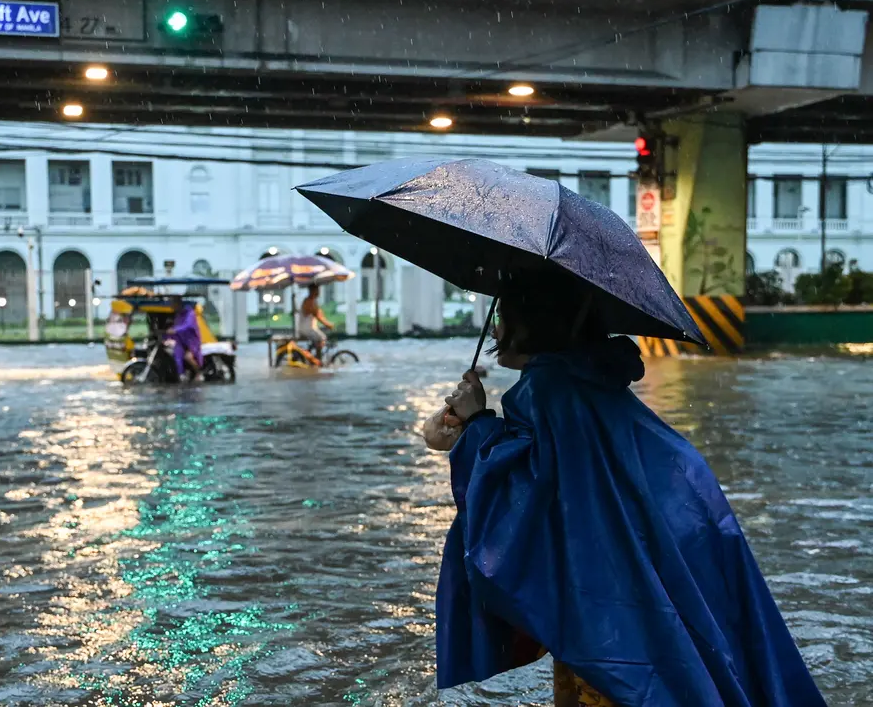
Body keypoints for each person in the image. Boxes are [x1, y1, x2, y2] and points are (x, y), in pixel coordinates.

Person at [425, 269, 825, 707]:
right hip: (681, 538)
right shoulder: (593, 379)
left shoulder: (547, 389)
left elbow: (522, 497)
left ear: (531, 320)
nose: (496, 327)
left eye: (503, 313)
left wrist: (478, 424)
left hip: (605, 585)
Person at [167, 296, 202, 380]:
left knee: (188, 357)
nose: (171, 306)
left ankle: (199, 373)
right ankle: (180, 375)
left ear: (178, 303)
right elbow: (175, 328)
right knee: (177, 355)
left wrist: (175, 330)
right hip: (180, 341)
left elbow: (187, 326)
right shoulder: (178, 315)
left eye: (173, 303)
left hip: (191, 341)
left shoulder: (190, 313)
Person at [299, 284, 334, 360]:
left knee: (319, 340)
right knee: (322, 338)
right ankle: (318, 359)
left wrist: (327, 322)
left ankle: (314, 355)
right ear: (312, 291)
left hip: (310, 328)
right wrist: (328, 325)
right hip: (307, 328)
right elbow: (317, 316)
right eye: (317, 290)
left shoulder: (313, 301)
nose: (318, 292)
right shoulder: (308, 301)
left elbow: (320, 314)